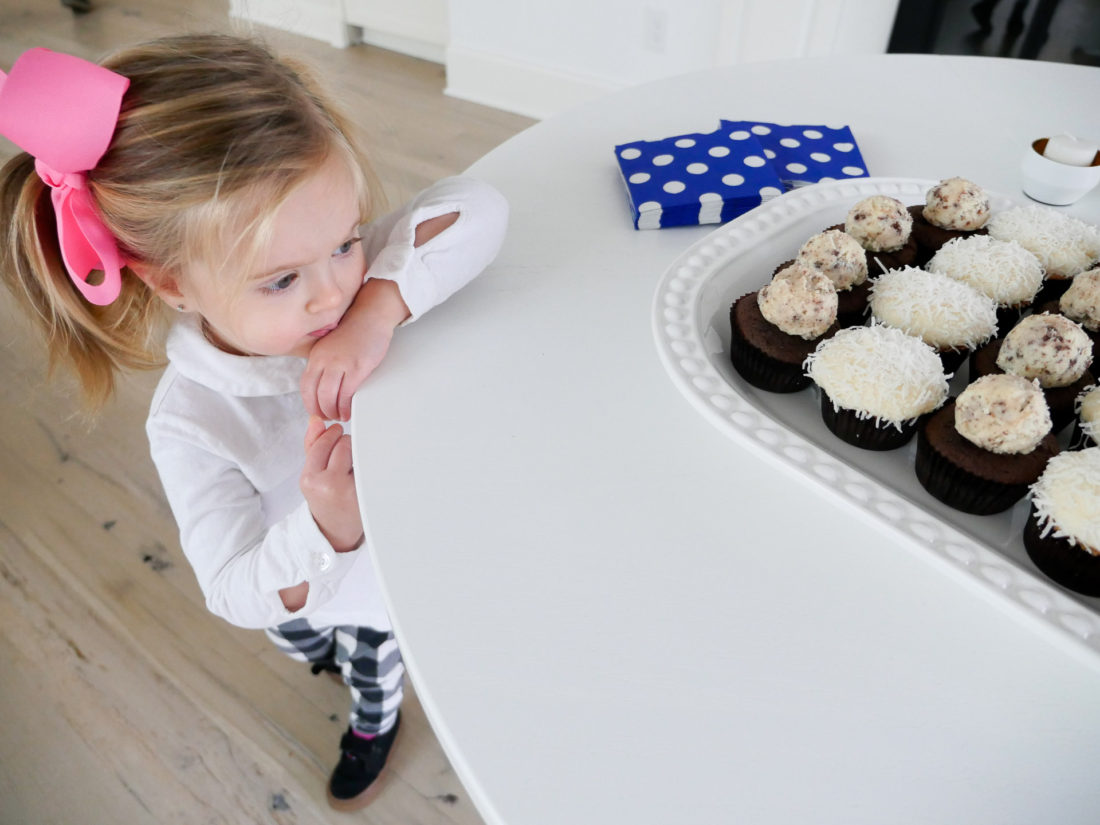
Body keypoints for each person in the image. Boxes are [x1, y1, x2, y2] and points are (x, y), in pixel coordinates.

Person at [0, 34, 507, 811]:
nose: (330, 291)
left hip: (377, 587)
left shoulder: (351, 285)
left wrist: (378, 310)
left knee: (374, 663)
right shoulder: (191, 423)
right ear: (173, 284)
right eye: (281, 281)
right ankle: (325, 659)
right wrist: (331, 527)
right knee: (302, 638)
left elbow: (482, 207)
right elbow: (235, 589)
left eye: (345, 240)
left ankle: (374, 725)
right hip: (303, 580)